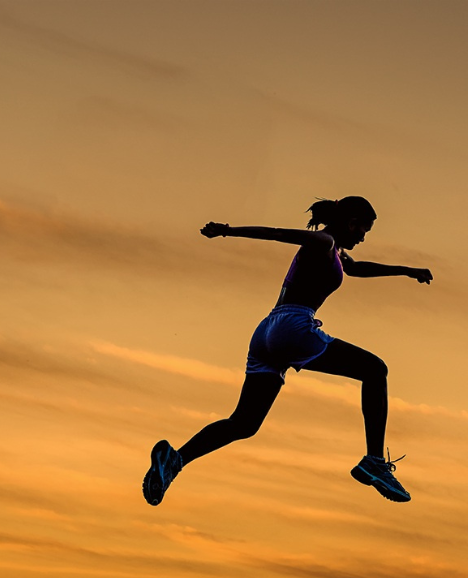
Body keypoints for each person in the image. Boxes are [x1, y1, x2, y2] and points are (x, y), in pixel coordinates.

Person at [142, 195, 432, 507]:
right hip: (293, 326)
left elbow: (357, 269)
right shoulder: (323, 241)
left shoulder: (335, 251)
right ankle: (374, 460)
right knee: (375, 370)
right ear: (351, 223)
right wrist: (228, 230)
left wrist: (406, 269)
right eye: (364, 230)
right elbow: (278, 233)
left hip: (266, 332)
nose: (363, 237)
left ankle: (175, 460)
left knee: (244, 423)